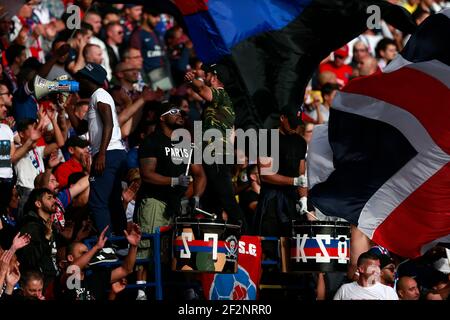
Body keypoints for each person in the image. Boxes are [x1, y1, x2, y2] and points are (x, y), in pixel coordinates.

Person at [135, 102, 206, 299]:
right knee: (147, 246)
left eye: (180, 112)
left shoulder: (186, 144)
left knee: (181, 248)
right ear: (161, 117)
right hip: (154, 202)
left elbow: (199, 174)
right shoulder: (152, 142)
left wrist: (196, 198)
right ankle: (141, 291)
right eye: (174, 112)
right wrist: (173, 180)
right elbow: (147, 174)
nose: (179, 114)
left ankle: (188, 289)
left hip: (178, 204)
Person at [184, 64, 247, 229]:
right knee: (212, 202)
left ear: (214, 77)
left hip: (216, 153)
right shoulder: (215, 104)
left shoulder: (222, 95)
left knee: (227, 199)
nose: (205, 77)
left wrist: (192, 81)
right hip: (211, 154)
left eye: (207, 75)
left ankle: (247, 237)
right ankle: (216, 238)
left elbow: (202, 91)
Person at [69, 63, 127, 238]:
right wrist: (68, 109)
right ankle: (120, 241)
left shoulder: (100, 95)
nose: (79, 82)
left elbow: (108, 122)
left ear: (90, 80)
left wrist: (101, 154)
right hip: (114, 153)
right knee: (113, 200)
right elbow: (80, 128)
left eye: (82, 79)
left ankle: (107, 245)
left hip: (107, 153)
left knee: (97, 202)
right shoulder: (98, 96)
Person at [254, 105, 308, 239]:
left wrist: (304, 198)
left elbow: (301, 173)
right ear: (282, 118)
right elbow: (266, 175)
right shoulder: (267, 138)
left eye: (297, 124)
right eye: (292, 123)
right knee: (269, 241)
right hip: (271, 199)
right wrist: (294, 181)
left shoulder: (300, 142)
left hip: (291, 199)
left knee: (292, 242)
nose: (295, 128)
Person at [61, 223, 141, 300]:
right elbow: (73, 268)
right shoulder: (66, 279)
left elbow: (126, 269)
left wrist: (133, 246)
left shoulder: (96, 278)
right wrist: (96, 248)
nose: (89, 255)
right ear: (70, 258)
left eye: (88, 252)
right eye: (83, 253)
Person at [17, 188, 59, 297]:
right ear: (38, 203)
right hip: (40, 286)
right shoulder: (31, 227)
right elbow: (30, 260)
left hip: (52, 280)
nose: (54, 200)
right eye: (49, 198)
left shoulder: (49, 225)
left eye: (53, 197)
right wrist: (45, 238)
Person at [333, 251, 399, 300]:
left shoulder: (388, 291)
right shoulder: (345, 289)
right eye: (373, 267)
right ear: (361, 269)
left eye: (378, 267)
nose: (378, 270)